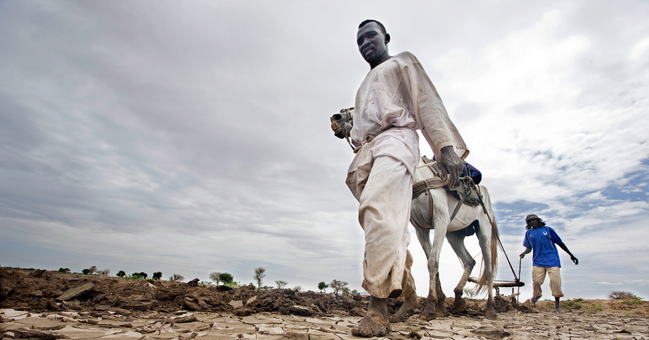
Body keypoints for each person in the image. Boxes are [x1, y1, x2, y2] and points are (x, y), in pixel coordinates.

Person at [347, 19, 469, 337]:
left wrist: (445, 147)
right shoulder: (363, 85)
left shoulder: (403, 62)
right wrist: (348, 129)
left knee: (377, 208)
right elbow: (363, 126)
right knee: (390, 224)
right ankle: (410, 294)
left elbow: (426, 101)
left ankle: (377, 310)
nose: (365, 43)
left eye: (371, 35)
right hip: (367, 152)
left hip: (396, 141)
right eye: (359, 40)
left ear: (386, 37)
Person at [519, 214, 578, 313]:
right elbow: (529, 248)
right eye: (529, 221)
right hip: (538, 261)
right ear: (528, 224)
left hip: (552, 260)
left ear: (538, 220)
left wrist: (571, 254)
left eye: (533, 220)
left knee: (555, 282)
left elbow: (560, 243)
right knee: (536, 281)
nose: (532, 222)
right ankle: (537, 294)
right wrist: (524, 253)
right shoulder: (529, 233)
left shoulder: (548, 230)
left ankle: (557, 306)